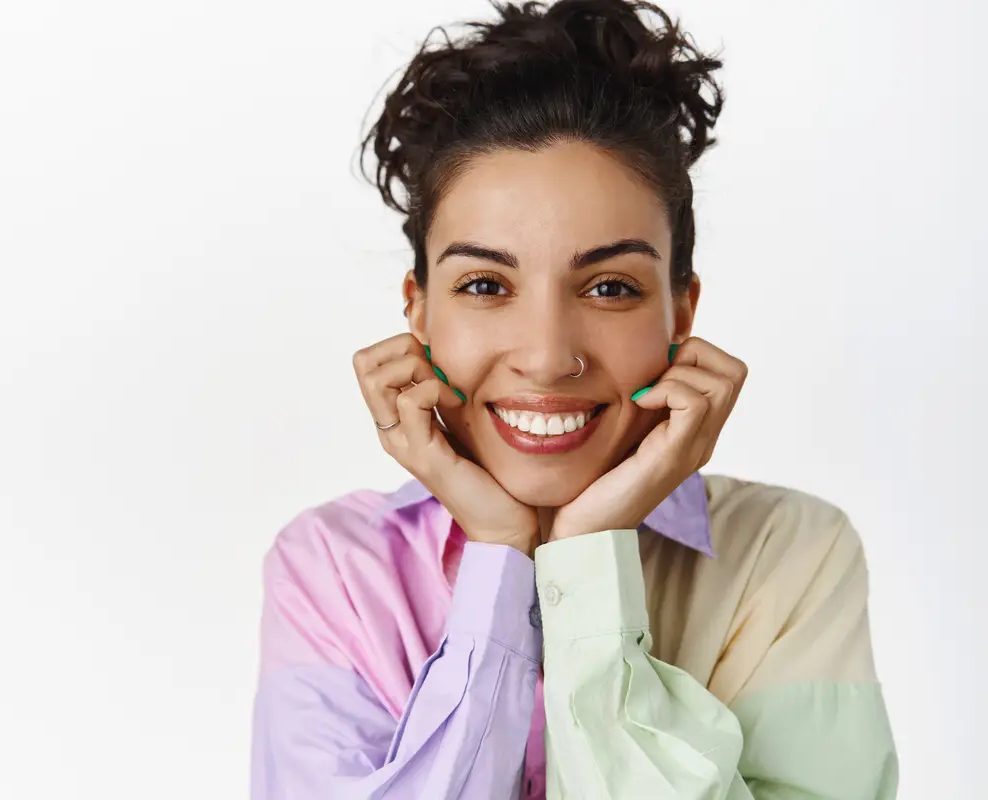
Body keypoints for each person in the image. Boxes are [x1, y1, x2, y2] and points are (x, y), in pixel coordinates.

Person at [250, 0, 898, 797]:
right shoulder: (335, 568)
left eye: (611, 287)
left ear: (680, 313)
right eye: (485, 284)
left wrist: (588, 559)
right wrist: (499, 553)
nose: (549, 358)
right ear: (418, 310)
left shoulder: (788, 555)